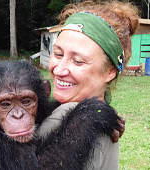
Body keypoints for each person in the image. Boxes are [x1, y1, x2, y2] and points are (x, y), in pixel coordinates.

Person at [36, 1, 139, 169]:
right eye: (57, 53)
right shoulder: (105, 118)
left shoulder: (70, 119)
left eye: (78, 61)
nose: (59, 69)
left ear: (110, 71)